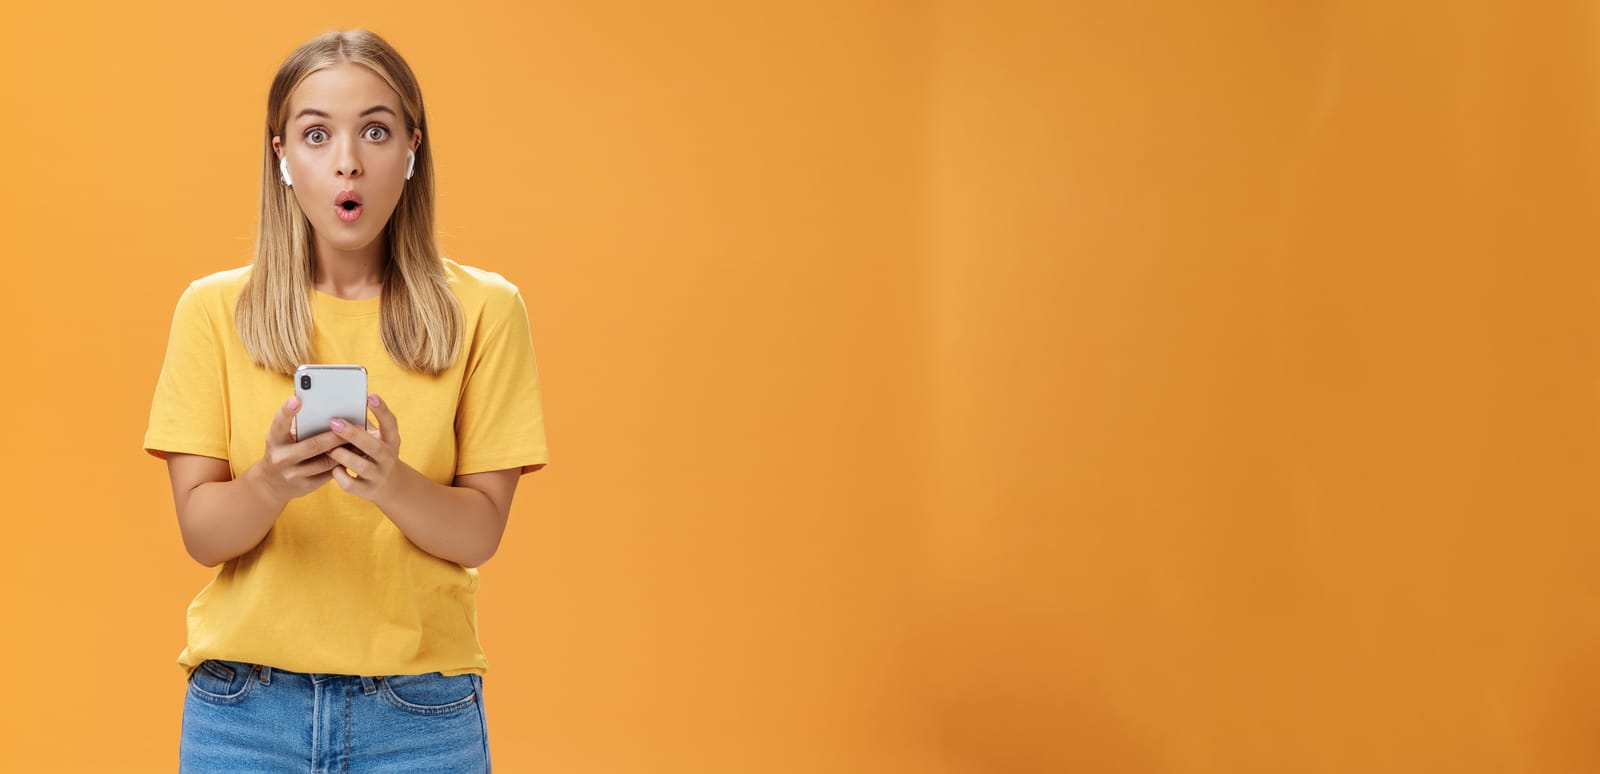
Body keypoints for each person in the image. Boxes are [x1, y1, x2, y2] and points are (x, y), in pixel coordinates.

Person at [142, 28, 547, 773]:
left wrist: (390, 482)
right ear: (282, 156)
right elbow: (202, 535)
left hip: (421, 718)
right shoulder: (213, 311)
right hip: (245, 716)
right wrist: (270, 482)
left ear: (413, 149)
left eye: (376, 130)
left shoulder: (486, 311)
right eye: (316, 134)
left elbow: (479, 533)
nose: (347, 160)